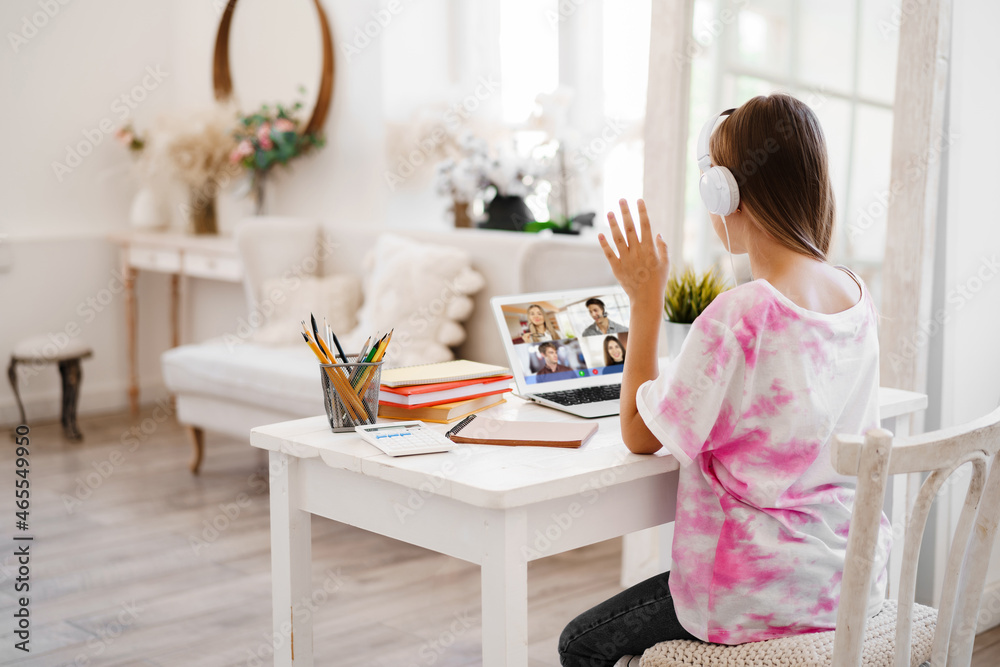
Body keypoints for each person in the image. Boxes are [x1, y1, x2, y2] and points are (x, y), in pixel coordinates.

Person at [559, 94, 886, 667]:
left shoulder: (742, 313)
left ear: (724, 193)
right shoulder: (856, 297)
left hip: (750, 598)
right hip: (847, 582)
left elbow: (638, 433)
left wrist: (645, 299)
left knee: (579, 645)